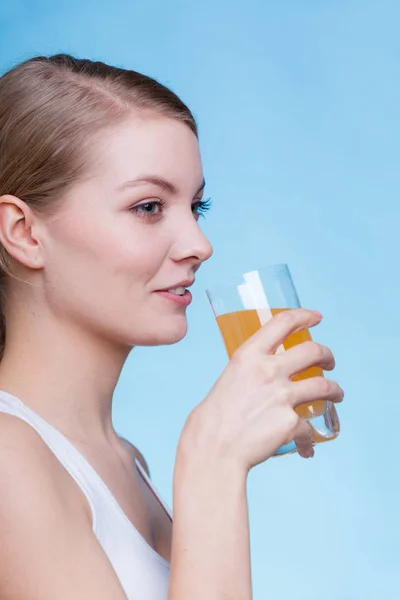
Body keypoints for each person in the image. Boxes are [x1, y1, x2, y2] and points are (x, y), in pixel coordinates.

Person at [0, 54, 344, 600]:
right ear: (23, 231)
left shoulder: (125, 460)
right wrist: (213, 463)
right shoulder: (7, 460)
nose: (200, 246)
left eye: (196, 206)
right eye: (149, 206)